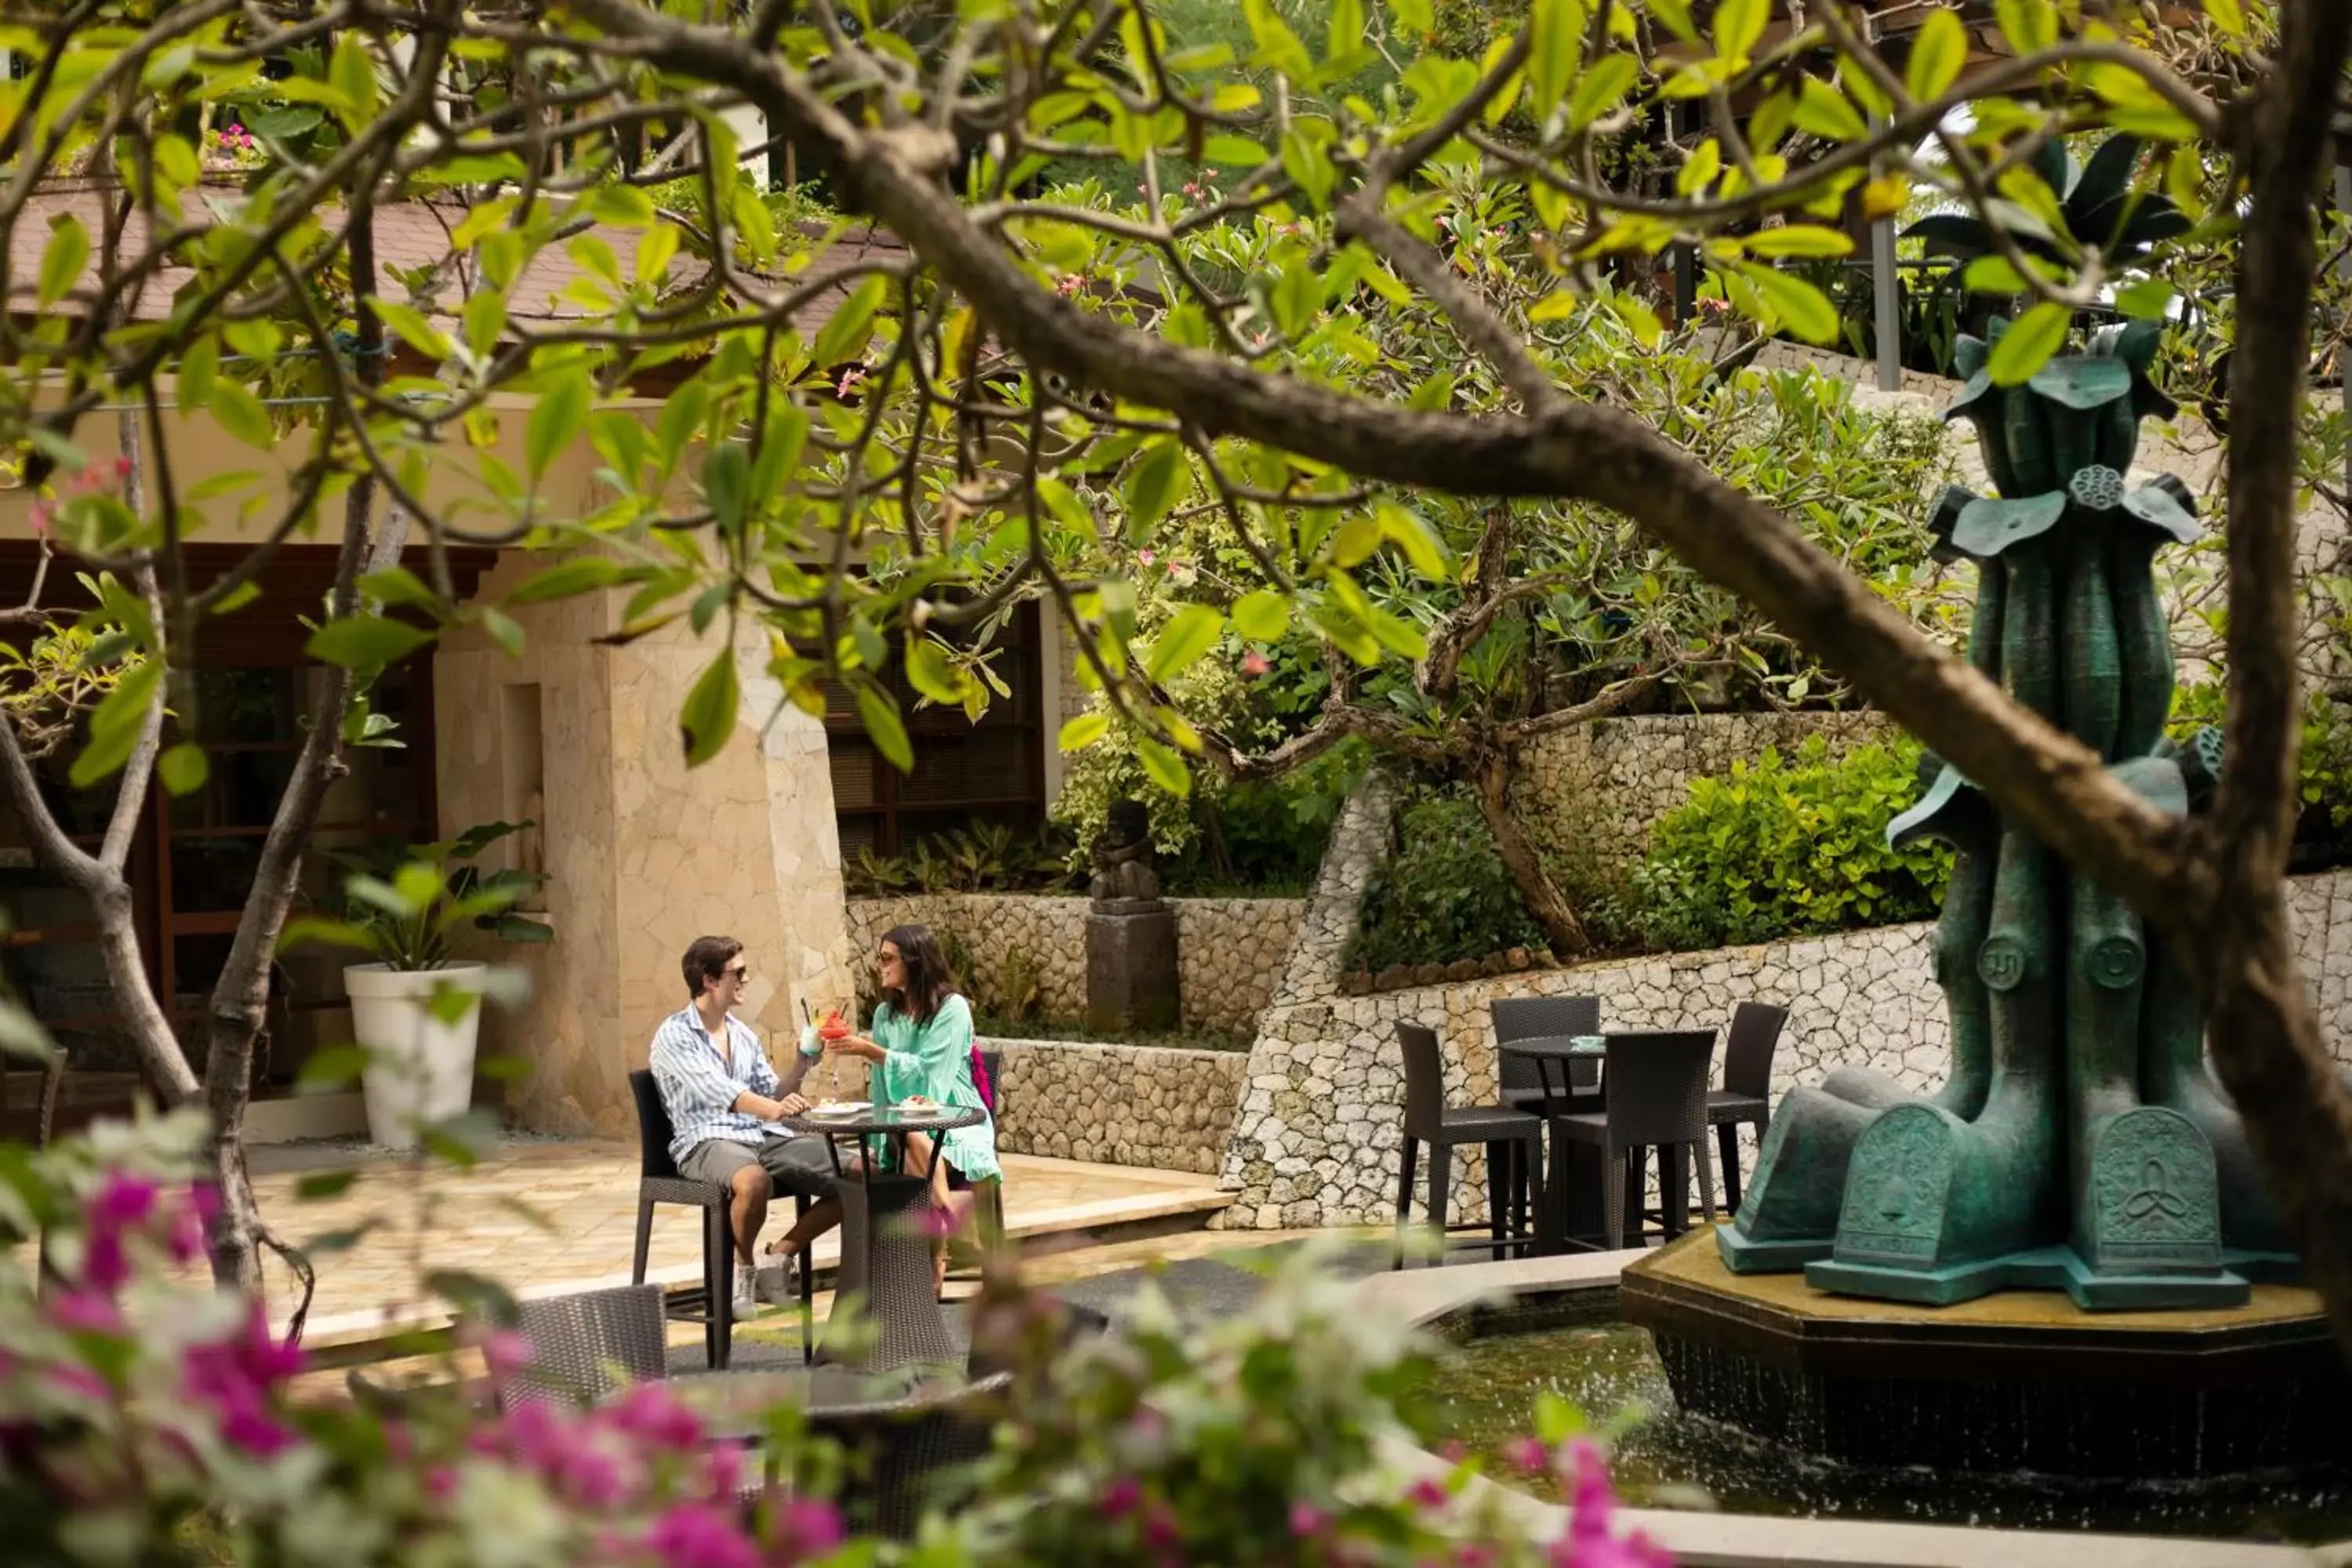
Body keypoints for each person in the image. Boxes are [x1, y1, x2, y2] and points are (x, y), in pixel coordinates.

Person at [648, 935, 843, 1316]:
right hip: (705, 1141)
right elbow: (721, 1092)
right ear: (709, 979)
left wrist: (804, 1061)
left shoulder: (743, 1035)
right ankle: (745, 1271)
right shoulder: (674, 1036)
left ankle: (781, 1255)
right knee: (753, 1181)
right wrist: (772, 1108)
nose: (745, 979)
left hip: (760, 1136)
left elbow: (773, 1093)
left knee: (857, 1173)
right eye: (738, 972)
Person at [811, 924, 1000, 1293]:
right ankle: (945, 1225)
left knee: (912, 1134)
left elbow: (935, 1076)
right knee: (902, 1139)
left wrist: (873, 1052)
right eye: (879, 957)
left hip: (956, 1118)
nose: (879, 965)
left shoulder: (952, 1009)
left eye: (887, 958)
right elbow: (883, 1087)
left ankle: (939, 1246)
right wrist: (881, 1137)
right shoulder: (885, 1014)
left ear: (914, 961)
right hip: (904, 1127)